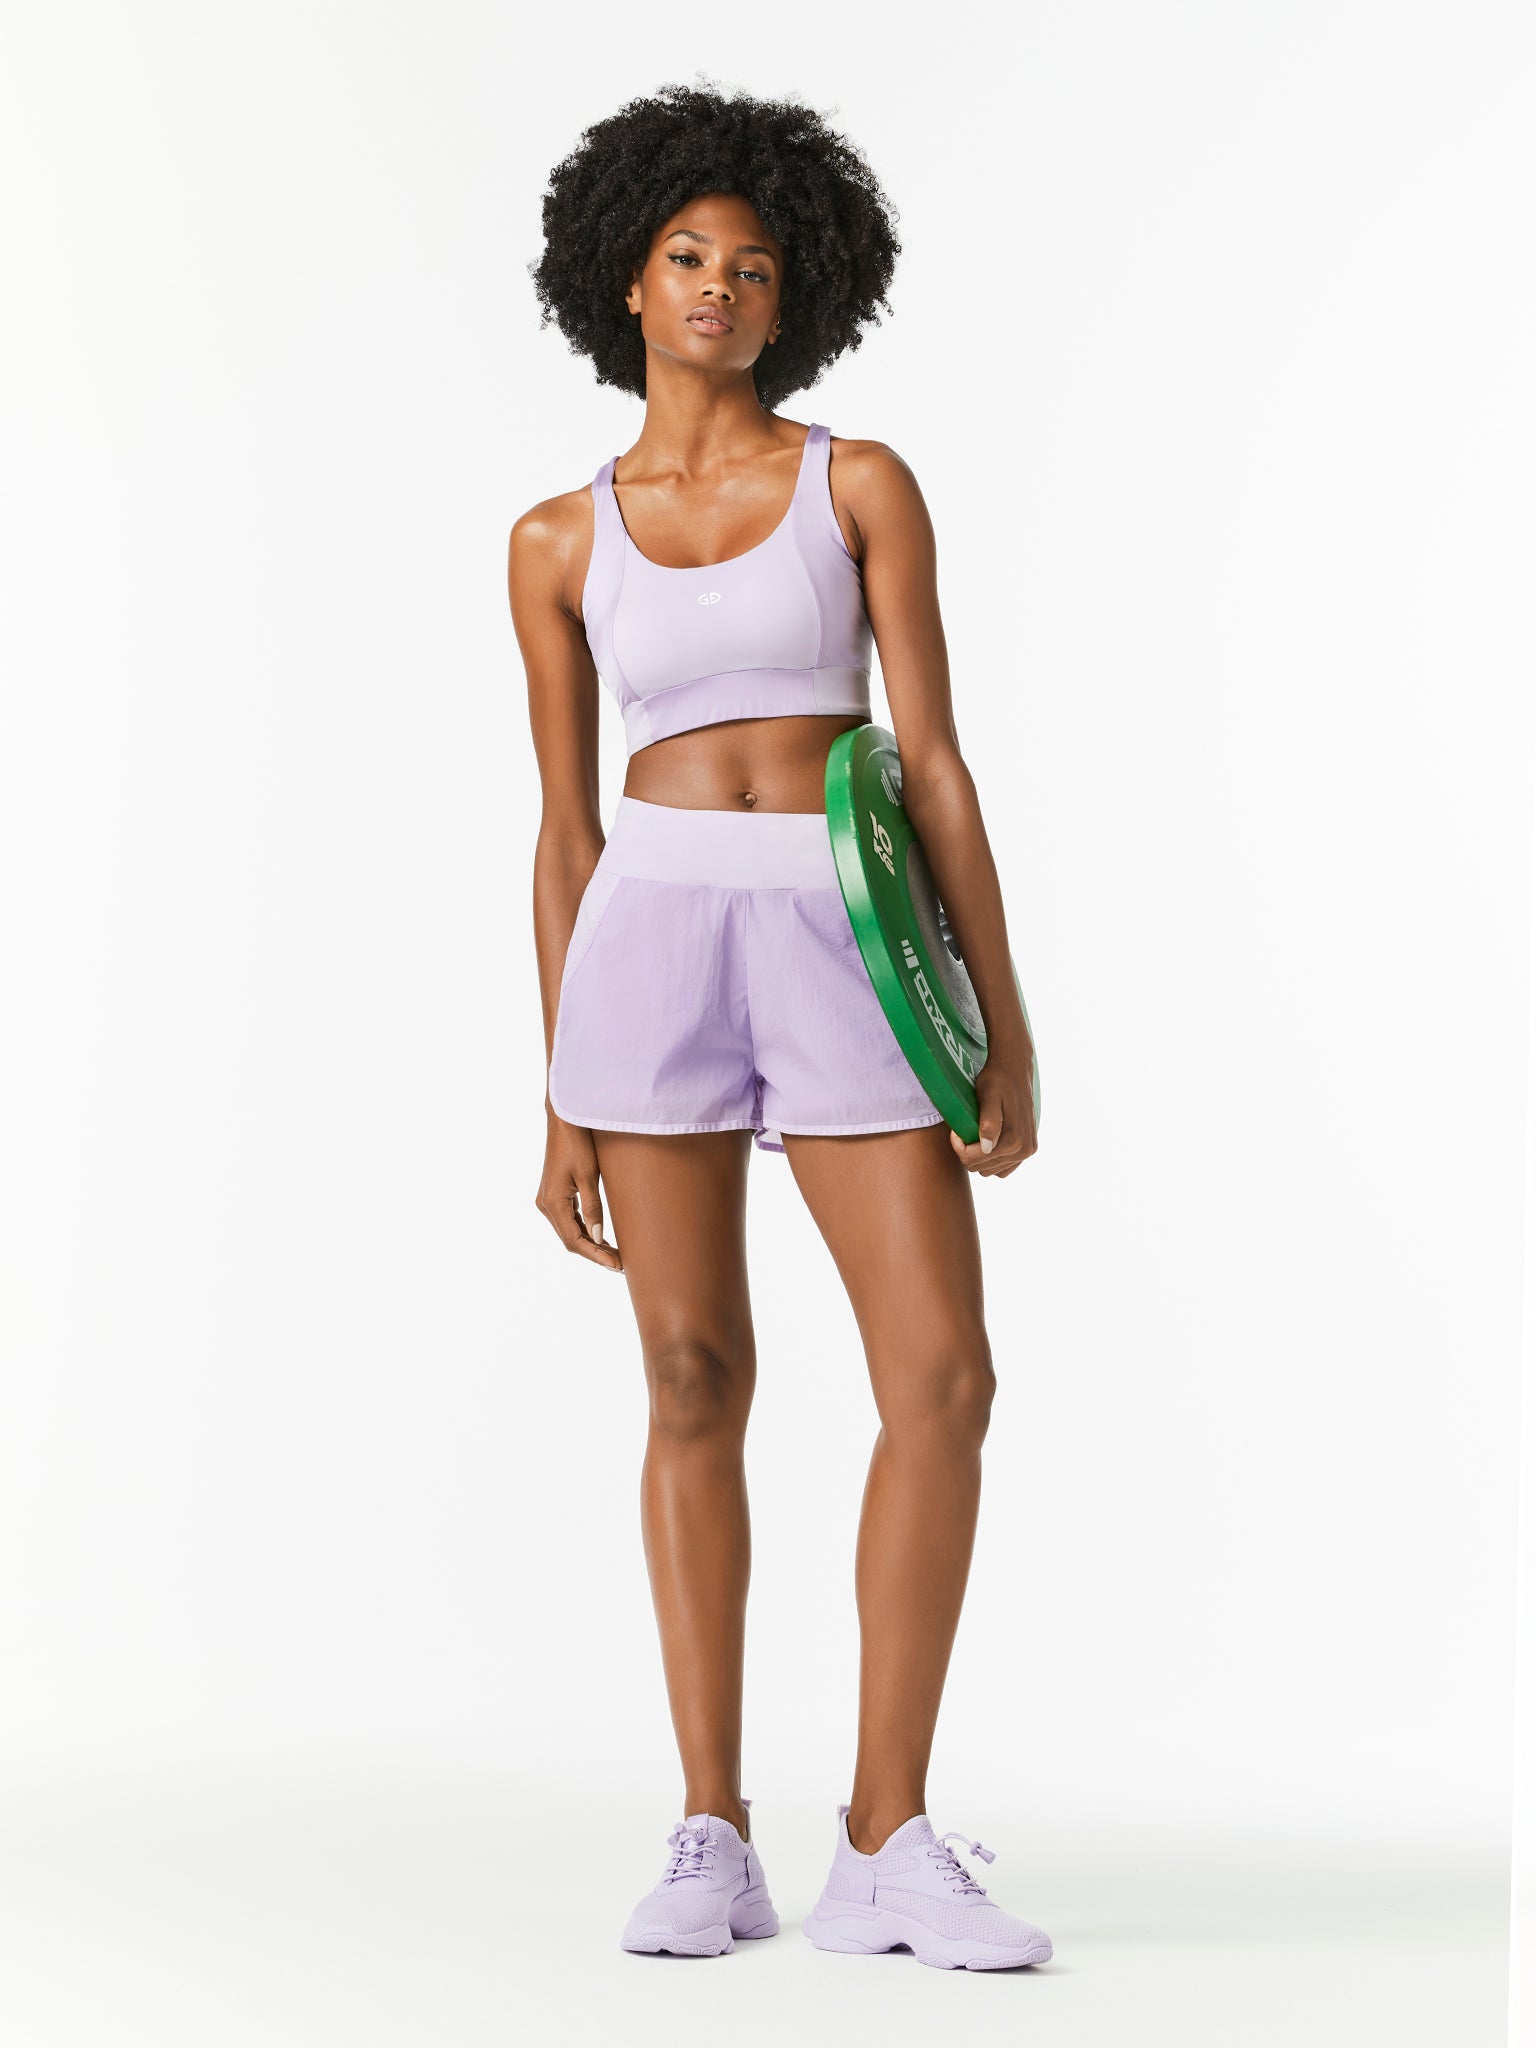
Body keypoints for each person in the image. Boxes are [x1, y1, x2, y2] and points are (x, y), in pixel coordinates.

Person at [509, 81, 1051, 1971]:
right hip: (651, 944)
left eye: (752, 267)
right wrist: (561, 1089)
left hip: (842, 935)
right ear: (626, 279)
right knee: (688, 1377)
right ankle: (709, 1830)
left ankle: (887, 1838)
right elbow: (565, 833)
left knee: (943, 1378)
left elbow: (938, 768)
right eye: (687, 258)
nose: (719, 290)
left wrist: (997, 1020)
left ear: (795, 289)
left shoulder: (858, 486)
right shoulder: (557, 538)